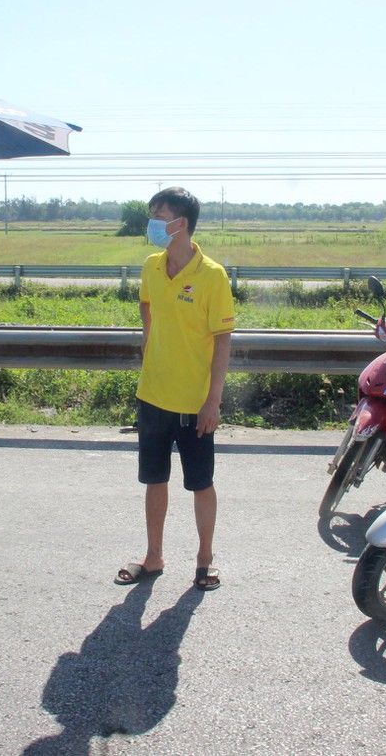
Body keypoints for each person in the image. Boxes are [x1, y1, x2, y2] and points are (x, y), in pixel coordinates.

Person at [116, 187, 234, 591]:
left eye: (159, 214)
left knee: (200, 483)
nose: (152, 222)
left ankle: (205, 560)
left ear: (180, 223)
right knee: (154, 479)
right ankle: (153, 556)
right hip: (153, 394)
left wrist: (212, 401)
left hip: (194, 401)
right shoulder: (152, 266)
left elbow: (222, 339)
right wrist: (150, 342)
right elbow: (146, 304)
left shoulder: (212, 275)